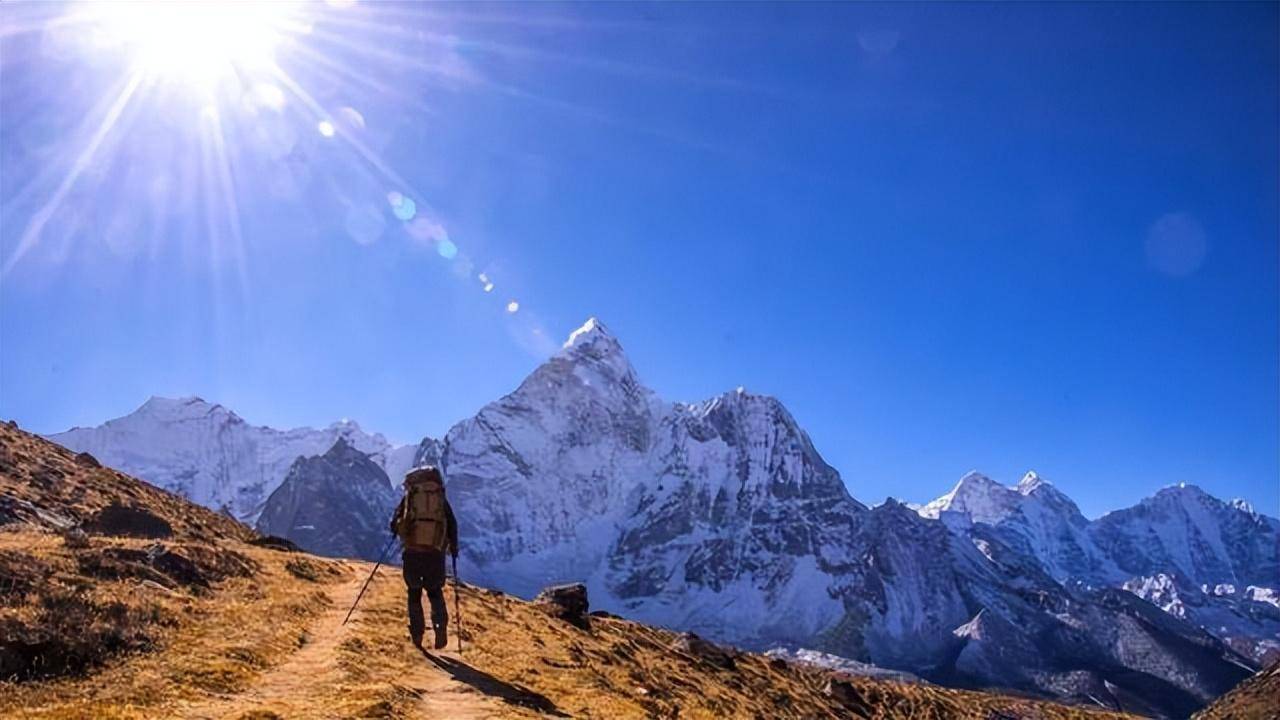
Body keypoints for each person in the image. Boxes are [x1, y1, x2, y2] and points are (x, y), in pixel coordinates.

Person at [389, 465, 458, 649]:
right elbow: (452, 523)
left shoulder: (410, 499)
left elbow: (394, 524)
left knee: (414, 593)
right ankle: (440, 628)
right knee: (435, 592)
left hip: (413, 552)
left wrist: (399, 530)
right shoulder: (440, 500)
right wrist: (454, 547)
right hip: (435, 553)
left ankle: (417, 634)